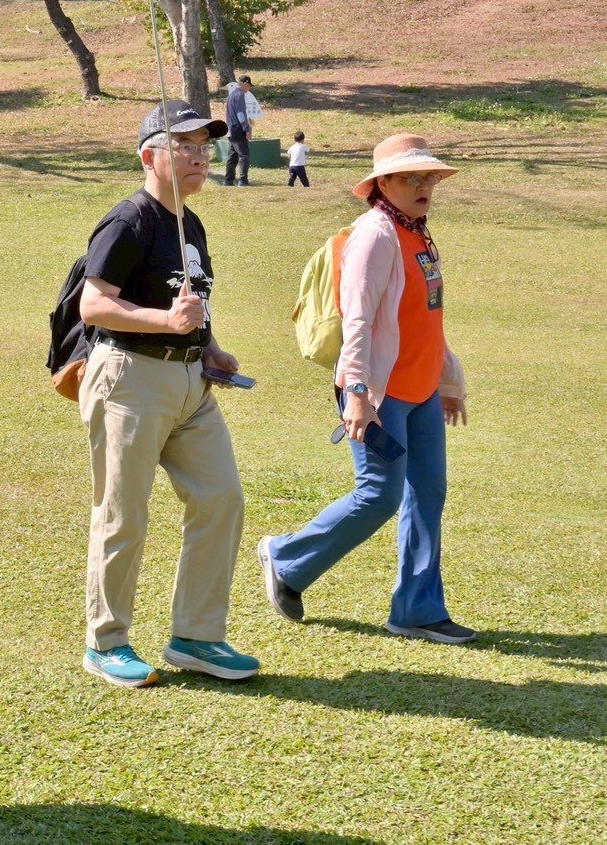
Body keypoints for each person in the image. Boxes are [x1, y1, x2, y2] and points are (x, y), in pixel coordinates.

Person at [257, 133, 474, 644]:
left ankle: (416, 610)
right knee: (379, 495)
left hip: (422, 390)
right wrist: (355, 391)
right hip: (379, 393)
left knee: (428, 494)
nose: (424, 186)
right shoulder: (375, 236)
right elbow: (357, 321)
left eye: (429, 177)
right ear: (383, 184)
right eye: (411, 177)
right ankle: (286, 558)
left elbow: (427, 317)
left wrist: (448, 380)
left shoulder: (418, 234)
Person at [77, 100, 261, 687]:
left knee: (220, 497)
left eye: (204, 149)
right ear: (148, 157)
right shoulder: (128, 221)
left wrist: (209, 346)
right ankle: (106, 642)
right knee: (123, 513)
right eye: (184, 147)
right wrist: (166, 323)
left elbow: (189, 301)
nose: (199, 158)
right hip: (129, 378)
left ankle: (196, 636)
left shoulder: (192, 223)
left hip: (191, 383)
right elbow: (94, 305)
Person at [223, 76, 253, 187]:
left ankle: (228, 181)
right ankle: (243, 181)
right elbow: (241, 114)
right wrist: (246, 128)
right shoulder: (240, 95)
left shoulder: (231, 95)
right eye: (249, 86)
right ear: (245, 84)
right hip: (238, 129)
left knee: (232, 156)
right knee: (244, 155)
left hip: (230, 129)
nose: (249, 89)